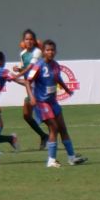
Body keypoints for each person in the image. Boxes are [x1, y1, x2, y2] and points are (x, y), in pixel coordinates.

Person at [26, 37, 86, 167]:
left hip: (53, 102)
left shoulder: (55, 65)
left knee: (63, 128)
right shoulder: (38, 66)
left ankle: (71, 158)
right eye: (47, 50)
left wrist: (67, 89)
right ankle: (51, 160)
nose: (50, 52)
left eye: (52, 50)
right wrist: (31, 97)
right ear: (43, 51)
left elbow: (57, 78)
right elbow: (27, 81)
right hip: (42, 103)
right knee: (53, 128)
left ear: (55, 52)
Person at [15, 27, 51, 150]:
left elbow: (31, 67)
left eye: (31, 39)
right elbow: (24, 67)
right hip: (30, 88)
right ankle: (44, 136)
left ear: (34, 41)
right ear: (23, 41)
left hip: (38, 88)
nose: (29, 41)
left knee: (43, 116)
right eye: (26, 39)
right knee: (26, 115)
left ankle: (53, 135)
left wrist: (18, 75)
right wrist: (18, 69)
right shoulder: (23, 54)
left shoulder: (37, 52)